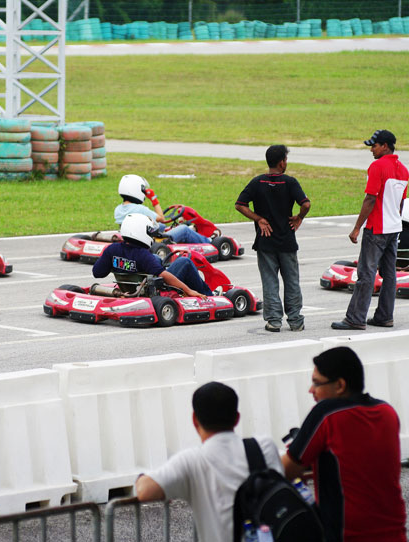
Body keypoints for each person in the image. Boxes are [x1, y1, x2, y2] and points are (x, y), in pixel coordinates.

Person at [282, 346, 406, 542]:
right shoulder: (387, 412)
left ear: (340, 385)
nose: (311, 390)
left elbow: (286, 470)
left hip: (347, 535)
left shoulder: (326, 414)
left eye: (317, 383)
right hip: (394, 533)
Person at [135, 382, 283, 542]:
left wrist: (141, 478)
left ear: (194, 419)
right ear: (237, 418)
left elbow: (145, 491)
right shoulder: (264, 447)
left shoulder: (191, 460)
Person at [332, 130, 408, 330]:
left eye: (374, 146)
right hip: (394, 228)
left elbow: (370, 198)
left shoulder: (377, 166)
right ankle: (384, 317)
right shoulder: (404, 170)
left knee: (366, 272)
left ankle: (355, 319)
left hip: (377, 229)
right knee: (389, 274)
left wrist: (357, 228)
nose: (371, 150)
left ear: (385, 146)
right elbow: (401, 203)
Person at [235, 145, 310, 332]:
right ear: (282, 162)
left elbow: (240, 205)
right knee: (292, 281)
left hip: (265, 241)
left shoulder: (257, 182)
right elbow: (306, 204)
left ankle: (274, 321)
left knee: (270, 281)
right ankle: (295, 320)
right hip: (287, 241)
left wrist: (259, 219)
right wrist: (299, 217)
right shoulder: (290, 182)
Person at [92, 213, 212, 298]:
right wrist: (188, 290)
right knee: (185, 262)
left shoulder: (111, 250)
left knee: (156, 259)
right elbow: (164, 276)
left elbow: (97, 272)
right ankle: (209, 295)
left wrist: (118, 264)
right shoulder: (142, 255)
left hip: (129, 288)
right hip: (155, 290)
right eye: (149, 232)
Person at [114, 174, 211, 245]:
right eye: (143, 190)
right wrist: (153, 199)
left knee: (161, 226)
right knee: (184, 229)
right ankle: (210, 242)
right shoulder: (140, 210)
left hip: (133, 235)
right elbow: (162, 217)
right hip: (151, 239)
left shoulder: (118, 209)